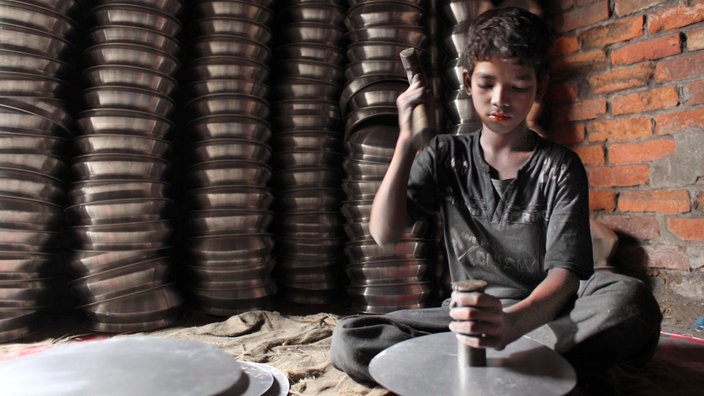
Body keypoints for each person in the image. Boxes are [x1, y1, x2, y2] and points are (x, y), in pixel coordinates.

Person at [330, 6, 662, 392]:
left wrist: (514, 325)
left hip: (542, 314)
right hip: (468, 319)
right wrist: (405, 141)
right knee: (351, 336)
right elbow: (384, 234)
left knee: (629, 299)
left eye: (519, 86)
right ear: (468, 81)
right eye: (487, 84)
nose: (500, 100)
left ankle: (491, 361)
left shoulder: (559, 167)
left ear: (539, 88)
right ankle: (530, 366)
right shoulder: (444, 155)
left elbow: (565, 276)